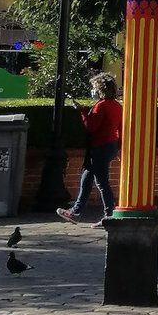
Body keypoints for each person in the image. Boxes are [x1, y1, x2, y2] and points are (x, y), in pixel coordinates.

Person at [57, 74, 122, 223]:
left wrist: (81, 111)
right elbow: (119, 128)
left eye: (94, 88)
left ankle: (109, 215)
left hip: (99, 147)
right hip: (110, 145)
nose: (93, 90)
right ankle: (75, 211)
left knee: (102, 183)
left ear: (100, 90)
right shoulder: (117, 106)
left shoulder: (101, 106)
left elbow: (91, 127)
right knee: (86, 178)